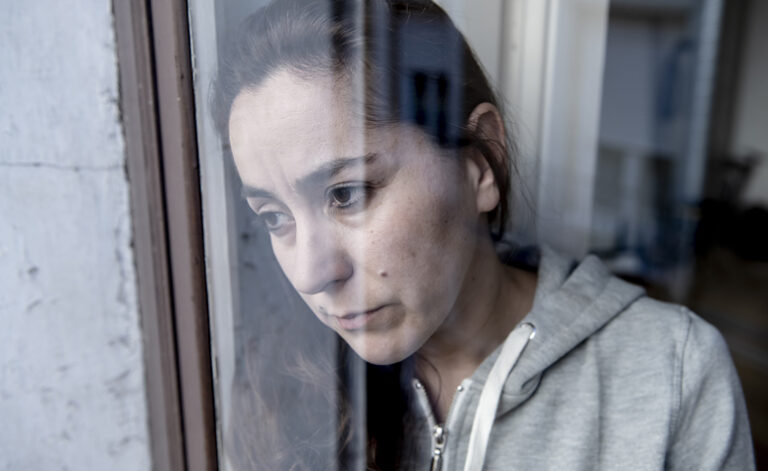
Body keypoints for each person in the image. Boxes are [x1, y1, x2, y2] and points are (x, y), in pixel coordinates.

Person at [212, 0, 755, 469]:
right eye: (274, 216)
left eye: (347, 193)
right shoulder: (274, 388)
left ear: (478, 164)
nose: (311, 273)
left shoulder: (671, 373)